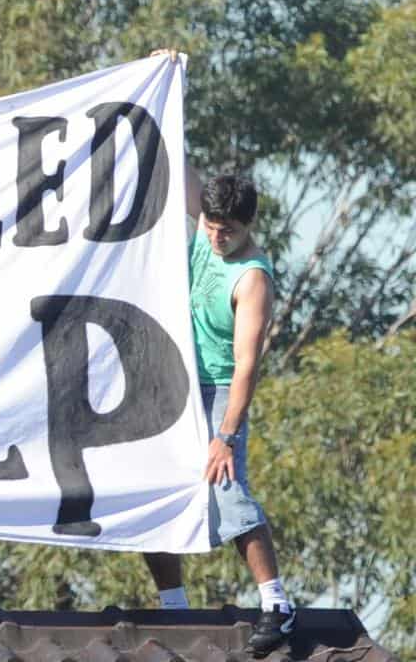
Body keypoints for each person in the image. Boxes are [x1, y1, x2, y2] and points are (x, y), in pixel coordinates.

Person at [143, 170, 296, 658]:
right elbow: (174, 150)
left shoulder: (252, 277)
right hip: (173, 383)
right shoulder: (205, 226)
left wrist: (225, 436)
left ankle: (276, 603)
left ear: (248, 225)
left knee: (228, 493)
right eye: (210, 225)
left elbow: (247, 366)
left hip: (218, 394)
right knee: (150, 489)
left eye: (227, 229)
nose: (215, 236)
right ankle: (173, 605)